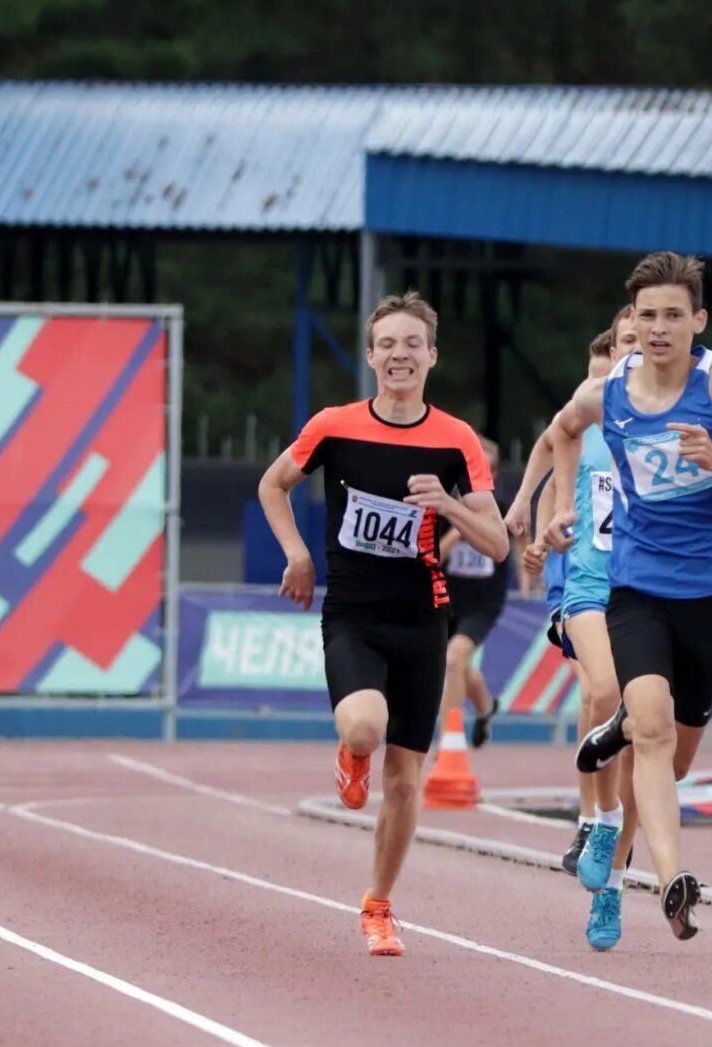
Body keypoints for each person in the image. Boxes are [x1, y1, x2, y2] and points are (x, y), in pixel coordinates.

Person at [543, 251, 712, 942]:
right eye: (647, 316)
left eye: (673, 316)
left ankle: (615, 846)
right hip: (638, 588)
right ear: (632, 320)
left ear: (698, 321)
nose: (658, 329)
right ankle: (671, 880)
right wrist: (560, 503)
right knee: (650, 729)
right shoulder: (606, 393)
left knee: (669, 761)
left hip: (711, 596)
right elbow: (562, 429)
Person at [258, 291, 508, 958]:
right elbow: (272, 484)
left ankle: (378, 907)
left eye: (412, 344)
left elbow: (497, 544)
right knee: (364, 727)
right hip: (355, 615)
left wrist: (449, 506)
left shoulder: (455, 439)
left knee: (404, 784)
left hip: (424, 620)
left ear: (432, 356)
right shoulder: (334, 425)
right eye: (388, 344)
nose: (400, 354)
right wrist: (298, 553)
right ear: (371, 356)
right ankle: (351, 751)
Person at [504, 312, 643, 951]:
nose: (636, 352)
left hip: (650, 592)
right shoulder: (587, 419)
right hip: (584, 586)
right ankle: (591, 817)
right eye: (625, 343)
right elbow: (548, 443)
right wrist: (533, 510)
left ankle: (610, 880)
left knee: (642, 742)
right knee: (604, 692)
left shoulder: (672, 426)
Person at [438, 436, 509, 747]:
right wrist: (457, 531)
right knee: (458, 664)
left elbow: (511, 549)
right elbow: (433, 556)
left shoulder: (502, 511)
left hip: (483, 601)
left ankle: (448, 740)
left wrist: (531, 580)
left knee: (455, 659)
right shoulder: (445, 510)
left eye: (486, 471)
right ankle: (485, 707)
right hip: (447, 597)